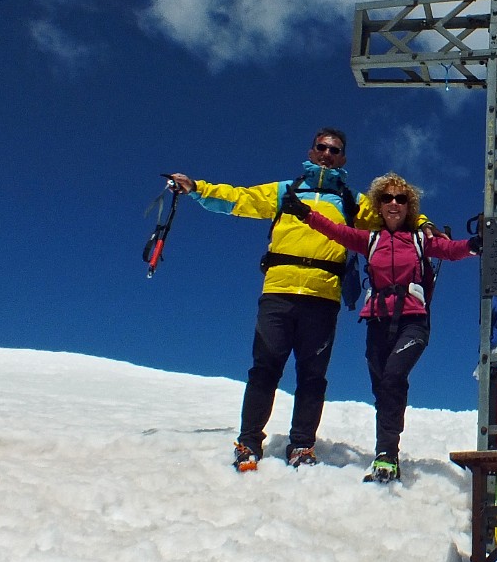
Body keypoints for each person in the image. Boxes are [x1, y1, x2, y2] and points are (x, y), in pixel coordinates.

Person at [168, 129, 435, 472]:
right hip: (278, 290)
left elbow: (396, 214)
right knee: (265, 368)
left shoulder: (353, 201)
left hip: (322, 296)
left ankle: (302, 445)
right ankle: (249, 441)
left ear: (343, 158)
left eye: (334, 150)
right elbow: (241, 199)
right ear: (311, 151)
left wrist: (425, 225)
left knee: (312, 375)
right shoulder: (287, 191)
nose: (327, 153)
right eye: (322, 147)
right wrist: (197, 188)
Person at [281, 172, 480, 483]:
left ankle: (387, 454)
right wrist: (306, 213)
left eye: (401, 199)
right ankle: (387, 454)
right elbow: (335, 231)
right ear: (378, 205)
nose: (394, 203)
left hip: (414, 322)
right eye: (387, 198)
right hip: (376, 323)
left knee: (392, 378)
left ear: (409, 206)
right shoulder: (369, 240)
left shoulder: (418, 240)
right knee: (383, 390)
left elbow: (450, 250)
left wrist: (473, 245)